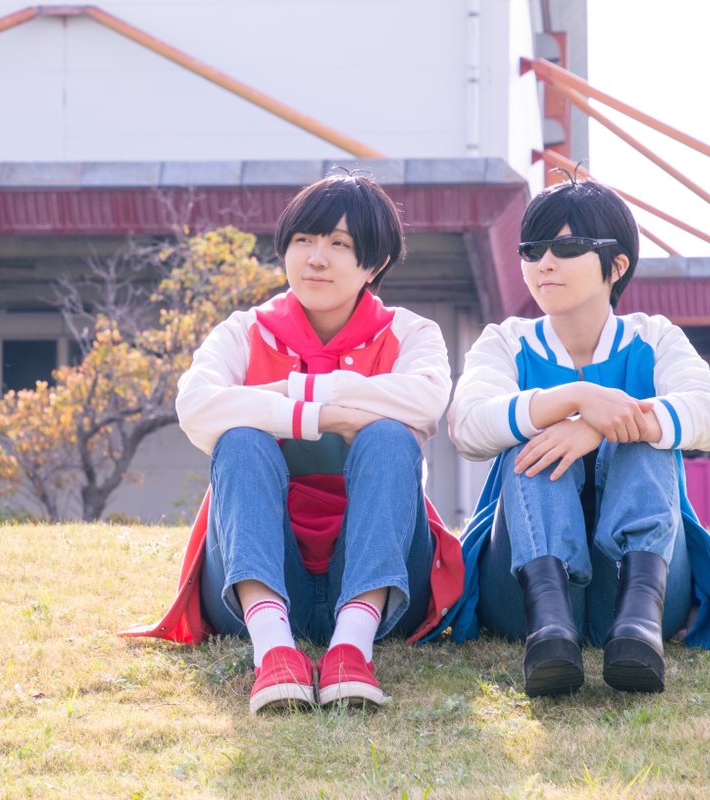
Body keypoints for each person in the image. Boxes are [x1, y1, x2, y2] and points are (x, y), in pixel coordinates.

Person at [122, 173, 464, 714]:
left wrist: (295, 391)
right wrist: (323, 416)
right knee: (240, 440)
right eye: (304, 240)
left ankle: (352, 649)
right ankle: (274, 652)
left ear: (374, 264)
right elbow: (197, 407)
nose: (316, 259)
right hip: (256, 582)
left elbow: (424, 402)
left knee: (390, 438)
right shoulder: (244, 331)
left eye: (339, 244)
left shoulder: (411, 333)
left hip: (384, 585)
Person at [429, 176, 710, 696]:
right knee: (534, 434)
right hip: (522, 597)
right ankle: (551, 627)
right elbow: (468, 425)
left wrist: (600, 425)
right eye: (532, 250)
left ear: (616, 266)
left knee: (644, 434)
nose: (545, 263)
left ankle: (638, 623)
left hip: (647, 595)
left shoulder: (653, 336)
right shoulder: (507, 341)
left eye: (568, 247)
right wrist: (575, 400)